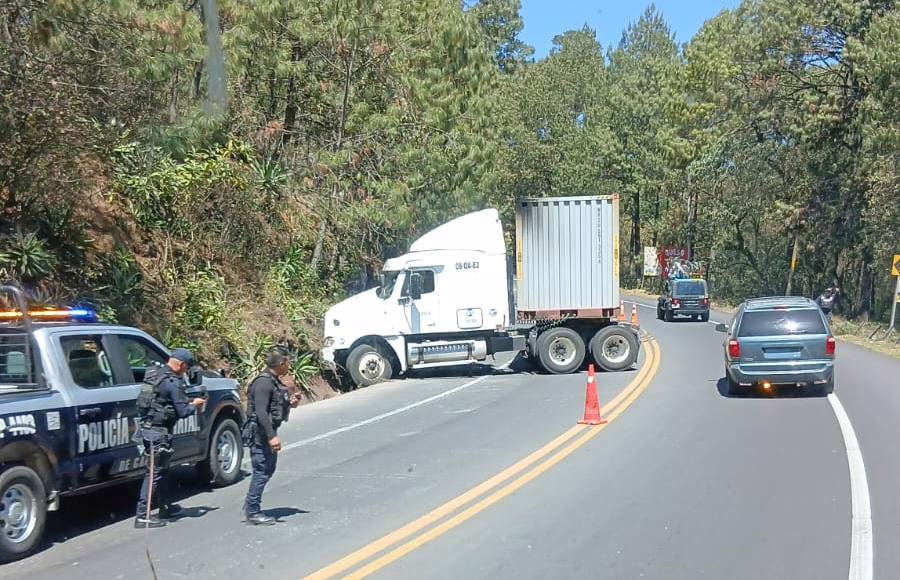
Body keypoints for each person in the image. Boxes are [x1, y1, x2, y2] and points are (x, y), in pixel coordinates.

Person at [134, 348, 206, 528]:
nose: (186, 372)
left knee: (163, 471)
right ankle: (142, 515)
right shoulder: (172, 382)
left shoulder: (156, 373)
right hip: (158, 433)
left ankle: (165, 507)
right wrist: (195, 404)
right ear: (182, 365)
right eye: (186, 368)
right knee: (154, 474)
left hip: (151, 429)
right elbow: (182, 411)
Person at [243, 351, 294, 525]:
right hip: (261, 434)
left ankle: (251, 505)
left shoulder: (273, 381)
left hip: (266, 432)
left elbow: (275, 405)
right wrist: (272, 437)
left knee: (268, 469)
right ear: (281, 363)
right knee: (262, 470)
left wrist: (291, 402)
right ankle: (253, 511)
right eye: (287, 362)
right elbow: (260, 412)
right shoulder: (264, 383)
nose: (289, 366)